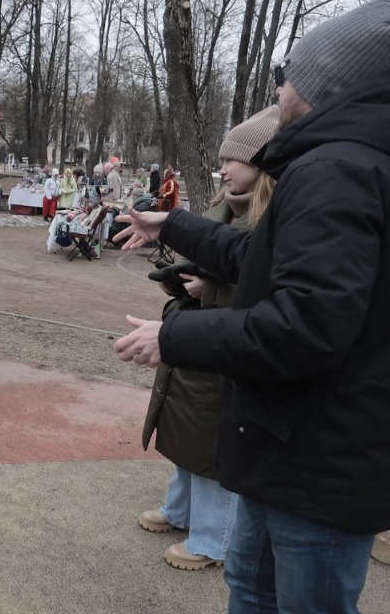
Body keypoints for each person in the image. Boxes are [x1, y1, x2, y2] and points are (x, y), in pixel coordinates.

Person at [112, 0, 390, 612]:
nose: (279, 87)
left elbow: (305, 327)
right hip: (291, 449)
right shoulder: (339, 163)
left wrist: (172, 338)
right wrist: (173, 224)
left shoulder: (338, 170)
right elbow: (263, 256)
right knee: (252, 592)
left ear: (320, 84)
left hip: (319, 462)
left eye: (288, 74)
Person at [137, 105, 280, 572]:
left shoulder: (273, 220)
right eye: (221, 160)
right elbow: (213, 268)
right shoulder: (222, 208)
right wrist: (180, 281)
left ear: (261, 164)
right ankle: (180, 511)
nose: (223, 169)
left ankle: (214, 539)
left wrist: (209, 288)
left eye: (233, 160)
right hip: (199, 342)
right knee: (186, 434)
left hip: (227, 349)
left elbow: (267, 295)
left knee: (214, 445)